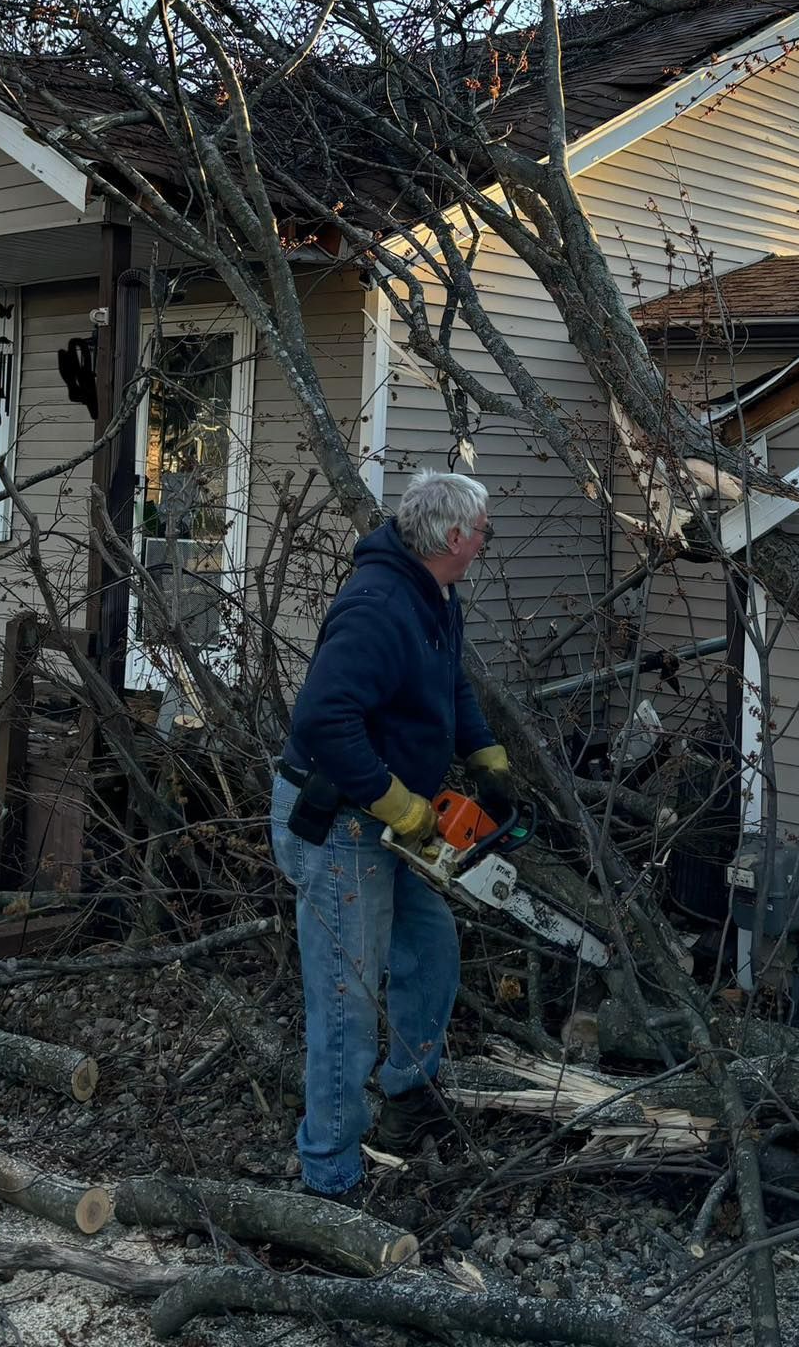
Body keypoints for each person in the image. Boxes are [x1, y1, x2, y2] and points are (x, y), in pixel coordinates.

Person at [270, 469, 513, 1200]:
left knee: (431, 948)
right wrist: (402, 807)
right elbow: (321, 720)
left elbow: (450, 687)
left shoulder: (435, 595)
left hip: (385, 818)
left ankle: (408, 1099)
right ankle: (330, 1176)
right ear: (449, 538)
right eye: (481, 532)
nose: (483, 543)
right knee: (345, 1001)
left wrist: (487, 758)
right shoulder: (378, 606)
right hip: (340, 821)